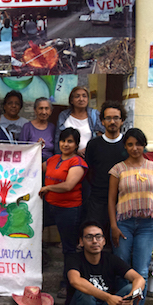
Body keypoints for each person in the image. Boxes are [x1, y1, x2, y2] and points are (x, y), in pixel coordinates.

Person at [108, 128, 153, 305]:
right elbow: (111, 200)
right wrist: (113, 225)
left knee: (141, 270)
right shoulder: (118, 169)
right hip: (123, 224)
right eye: (130, 144)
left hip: (147, 226)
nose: (135, 148)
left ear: (144, 145)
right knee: (122, 268)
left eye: (138, 144)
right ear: (125, 146)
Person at [39, 127, 88, 257]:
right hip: (50, 206)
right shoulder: (53, 159)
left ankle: (70, 276)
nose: (65, 144)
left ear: (76, 145)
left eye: (70, 141)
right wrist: (36, 150)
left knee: (68, 247)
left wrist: (48, 188)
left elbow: (68, 186)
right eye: (63, 141)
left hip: (68, 209)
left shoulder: (77, 162)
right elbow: (33, 169)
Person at [84, 101, 127, 240]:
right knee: (96, 240)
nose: (112, 122)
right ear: (102, 121)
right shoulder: (94, 144)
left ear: (122, 121)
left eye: (116, 118)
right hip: (98, 199)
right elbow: (89, 172)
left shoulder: (129, 144)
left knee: (119, 242)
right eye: (108, 118)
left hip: (124, 200)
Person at [55, 86, 105, 155]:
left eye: (84, 96)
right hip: (68, 157)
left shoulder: (94, 114)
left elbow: (101, 136)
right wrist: (75, 151)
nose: (81, 99)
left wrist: (87, 149)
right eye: (77, 96)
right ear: (71, 100)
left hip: (90, 156)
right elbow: (58, 138)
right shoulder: (63, 116)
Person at [20, 97, 56, 161]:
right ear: (35, 110)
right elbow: (21, 150)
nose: (44, 112)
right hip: (30, 162)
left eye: (46, 108)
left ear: (51, 111)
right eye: (40, 108)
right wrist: (36, 146)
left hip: (49, 164)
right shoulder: (27, 127)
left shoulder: (52, 127)